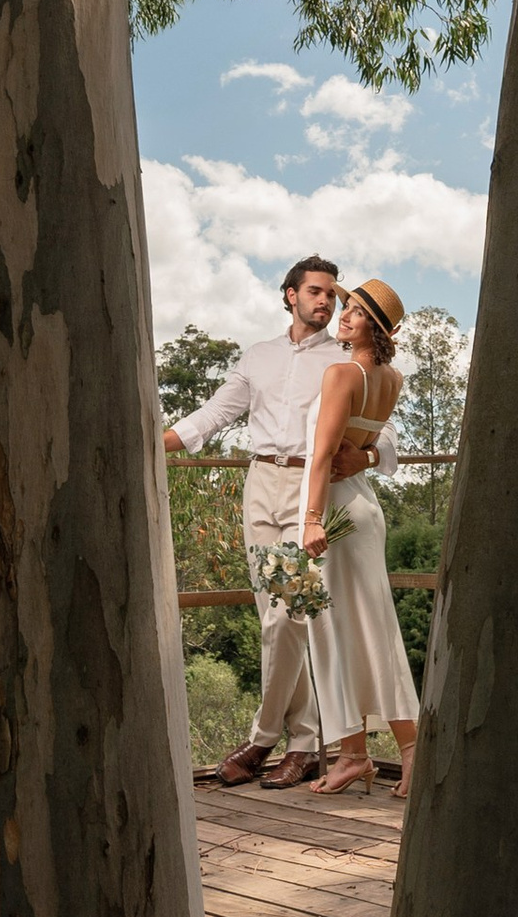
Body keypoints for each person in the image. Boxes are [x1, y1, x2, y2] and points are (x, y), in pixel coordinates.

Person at [164, 255, 375, 787]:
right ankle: (302, 743)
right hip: (260, 488)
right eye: (315, 292)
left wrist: (369, 458)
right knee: (274, 620)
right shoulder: (258, 356)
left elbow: (381, 429)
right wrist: (153, 441)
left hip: (310, 491)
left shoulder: (343, 362)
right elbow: (214, 414)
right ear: (290, 295)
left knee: (290, 618)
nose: (326, 302)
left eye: (332, 294)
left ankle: (263, 740)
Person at [301, 277, 420, 799]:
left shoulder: (341, 372)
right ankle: (358, 754)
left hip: (334, 511)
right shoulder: (389, 377)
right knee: (364, 625)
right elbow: (367, 445)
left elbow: (323, 454)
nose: (343, 316)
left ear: (372, 324)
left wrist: (309, 519)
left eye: (352, 310)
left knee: (337, 629)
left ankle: (390, 751)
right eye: (346, 307)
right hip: (363, 506)